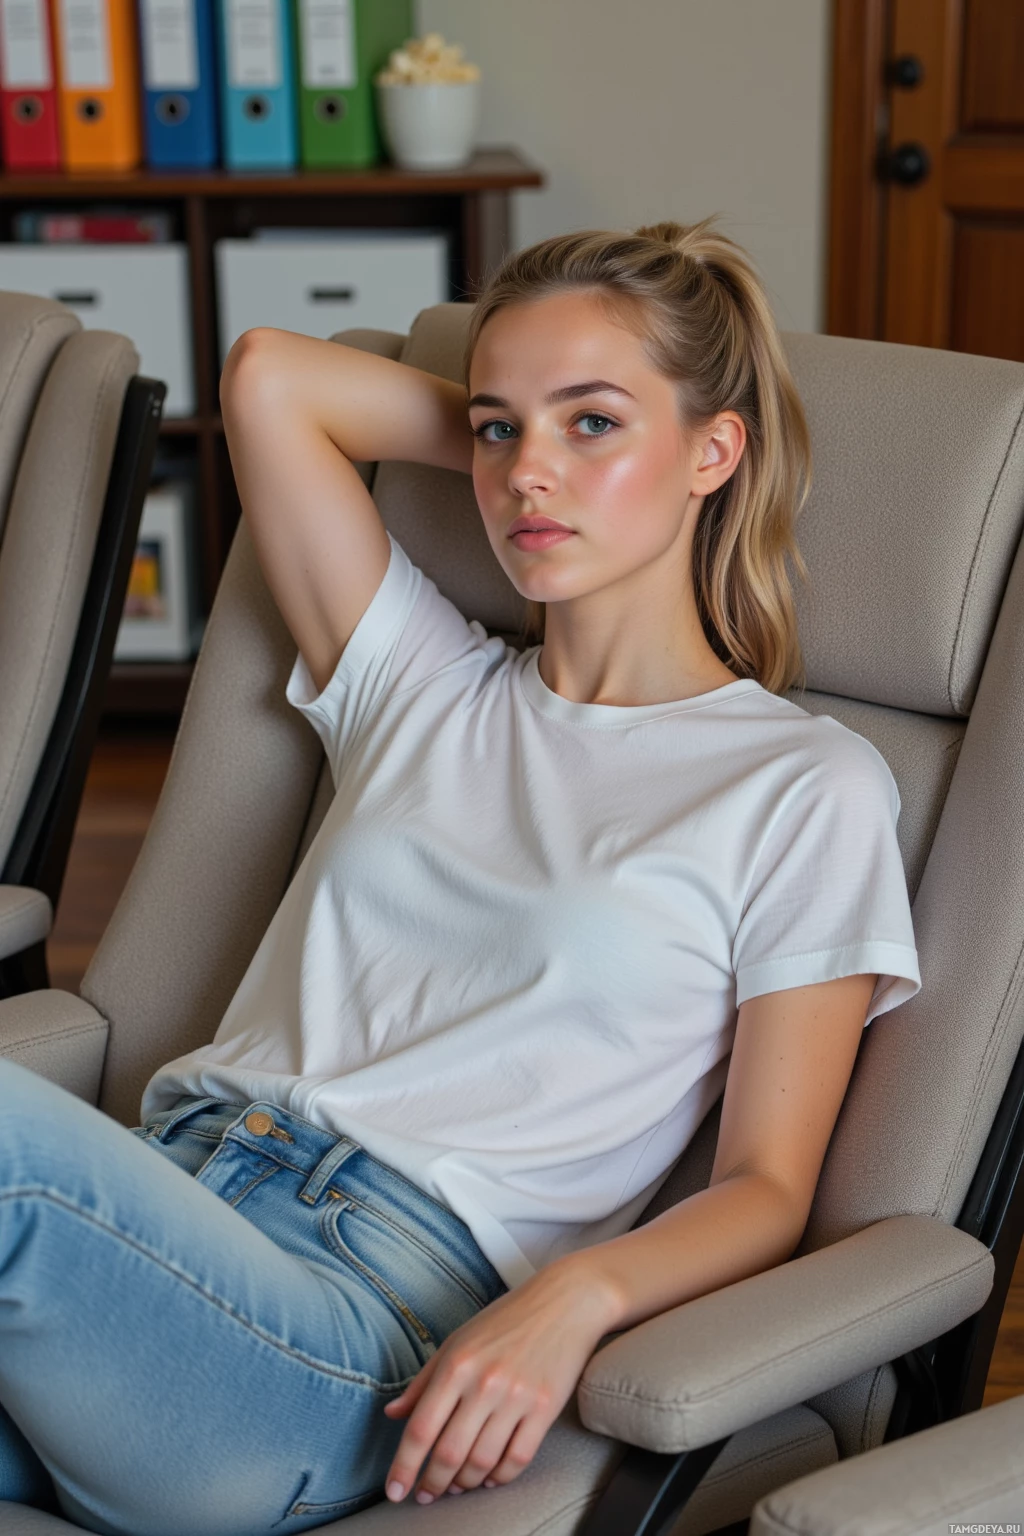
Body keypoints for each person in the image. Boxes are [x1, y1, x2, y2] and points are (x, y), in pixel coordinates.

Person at [0, 219, 920, 1536]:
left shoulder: (803, 785)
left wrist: (578, 1297)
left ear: (718, 451)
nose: (526, 476)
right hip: (160, 1214)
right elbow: (271, 375)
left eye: (594, 424)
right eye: (496, 430)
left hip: (349, 1332)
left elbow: (768, 1183)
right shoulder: (420, 683)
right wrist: (552, 437)